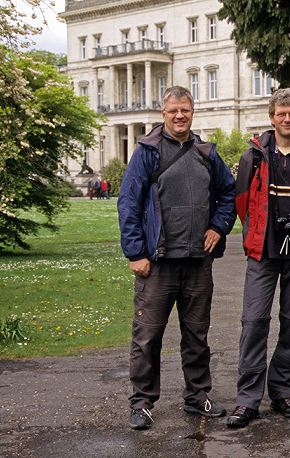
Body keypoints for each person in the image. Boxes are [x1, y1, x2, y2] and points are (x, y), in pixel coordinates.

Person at [117, 86, 237, 430]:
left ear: (192, 112)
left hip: (198, 261)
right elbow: (128, 202)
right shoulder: (147, 152)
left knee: (197, 334)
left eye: (185, 110)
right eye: (173, 111)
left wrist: (219, 226)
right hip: (157, 262)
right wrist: (135, 252)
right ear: (163, 113)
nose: (180, 116)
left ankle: (198, 396)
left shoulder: (206, 152)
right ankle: (141, 402)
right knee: (147, 336)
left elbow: (228, 191)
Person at [227, 88, 290, 428]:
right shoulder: (253, 156)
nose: (288, 119)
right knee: (254, 322)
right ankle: (247, 400)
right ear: (271, 117)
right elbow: (241, 202)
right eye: (281, 113)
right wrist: (256, 234)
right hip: (263, 252)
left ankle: (282, 390)